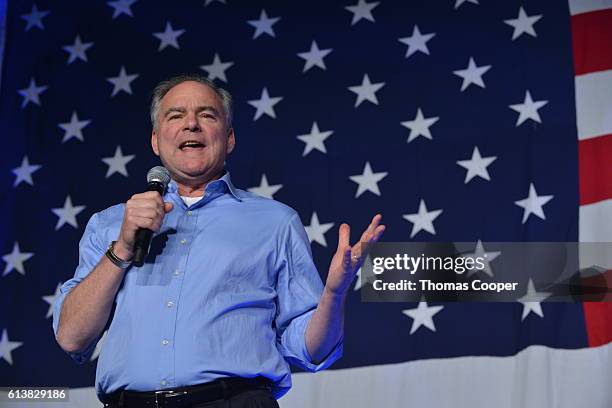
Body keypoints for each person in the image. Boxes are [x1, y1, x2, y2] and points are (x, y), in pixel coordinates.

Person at [52, 74, 385, 408]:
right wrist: (123, 248)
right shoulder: (109, 224)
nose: (191, 125)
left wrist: (334, 294)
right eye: (176, 115)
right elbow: (72, 337)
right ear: (156, 140)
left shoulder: (276, 222)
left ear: (229, 139)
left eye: (207, 115)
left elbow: (311, 350)